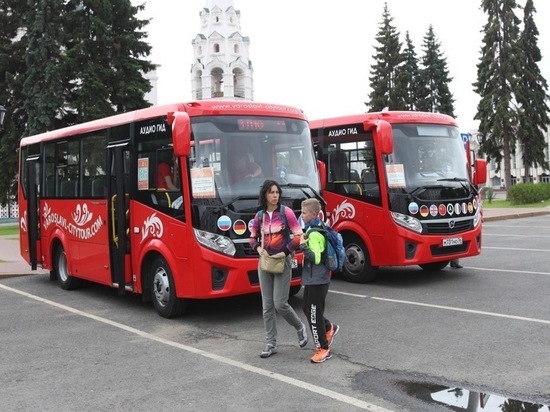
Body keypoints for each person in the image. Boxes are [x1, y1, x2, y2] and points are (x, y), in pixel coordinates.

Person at [249, 179, 308, 358]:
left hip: (283, 262)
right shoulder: (259, 216)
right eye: (271, 192)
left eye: (277, 192)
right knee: (267, 307)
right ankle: (271, 343)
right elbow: (252, 238)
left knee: (280, 303)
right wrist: (259, 250)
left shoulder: (286, 212)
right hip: (265, 264)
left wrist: (286, 251)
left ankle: (299, 327)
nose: (275, 195)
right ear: (265, 195)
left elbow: (299, 236)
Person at [299, 198, 340, 363]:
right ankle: (329, 327)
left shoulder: (314, 233)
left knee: (314, 314)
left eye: (304, 212)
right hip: (312, 279)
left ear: (314, 214)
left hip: (318, 280)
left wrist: (303, 246)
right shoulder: (313, 228)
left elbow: (315, 258)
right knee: (307, 309)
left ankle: (323, 348)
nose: (301, 215)